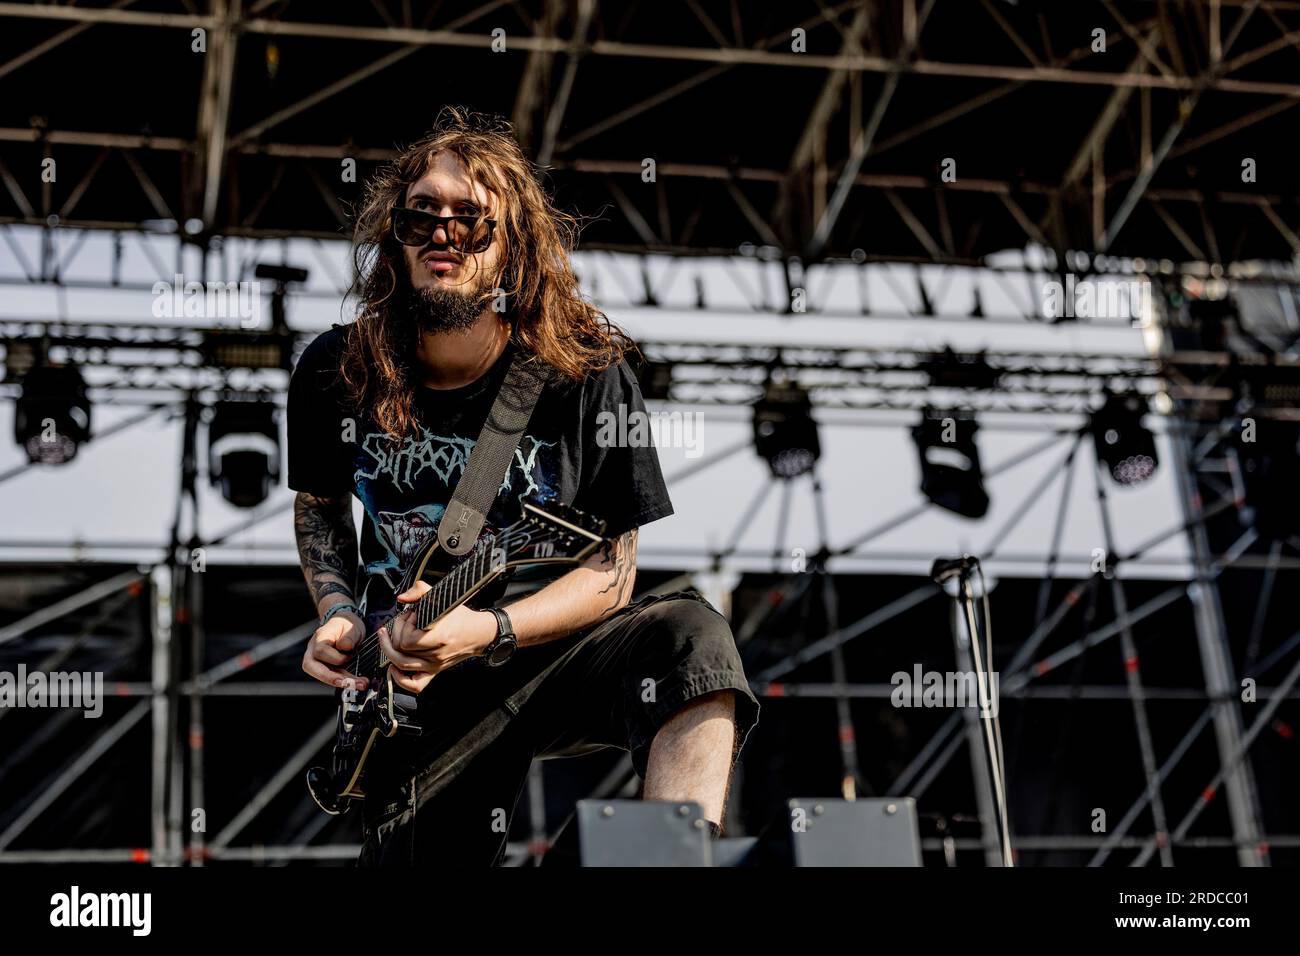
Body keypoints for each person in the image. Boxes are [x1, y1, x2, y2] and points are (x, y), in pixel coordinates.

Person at [287, 106, 759, 865]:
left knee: (690, 638)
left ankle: (673, 857)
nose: (444, 235)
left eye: (473, 220)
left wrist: (489, 630)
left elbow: (614, 570)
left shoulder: (584, 370)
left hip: (549, 652)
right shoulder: (332, 370)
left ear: (513, 248)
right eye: (422, 216)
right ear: (394, 236)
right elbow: (318, 510)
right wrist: (340, 613)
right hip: (413, 686)